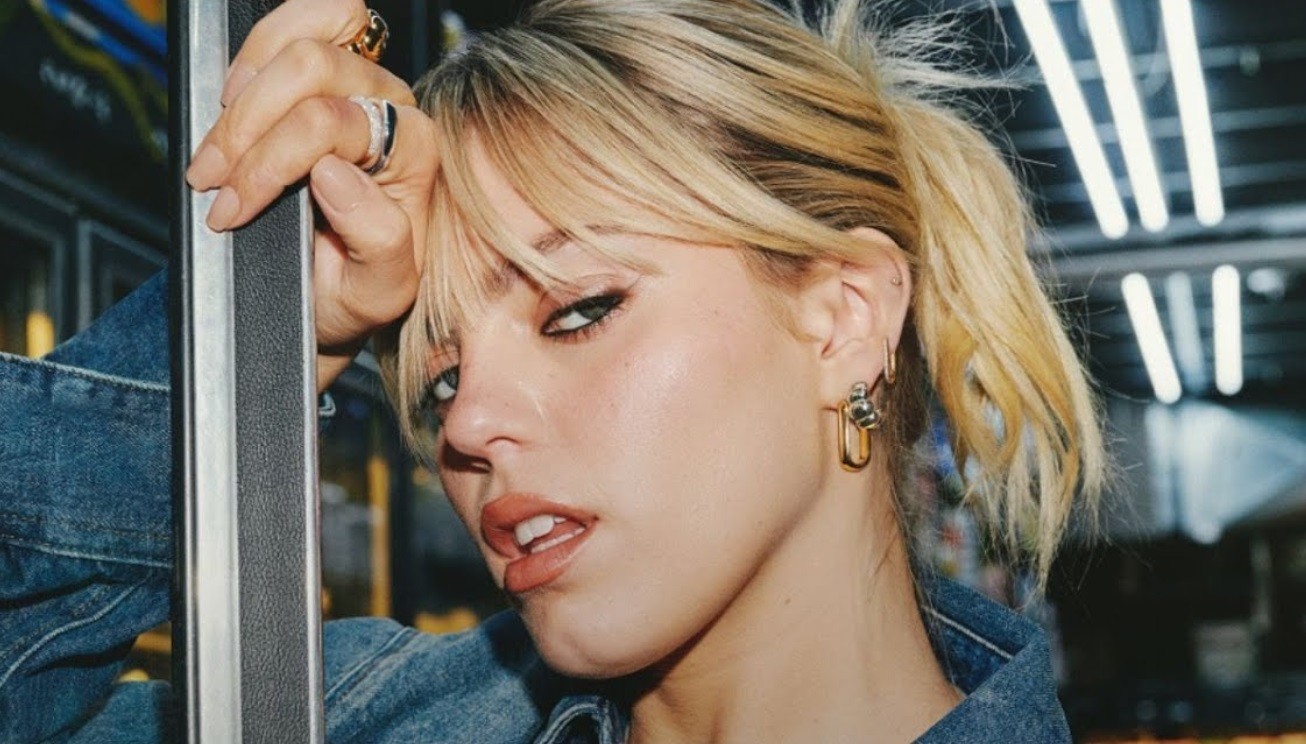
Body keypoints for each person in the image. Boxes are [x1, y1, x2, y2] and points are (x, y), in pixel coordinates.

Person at [0, 0, 1105, 741]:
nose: (466, 425)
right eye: (437, 381)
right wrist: (267, 335)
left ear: (843, 319)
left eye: (578, 312)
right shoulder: (351, 713)